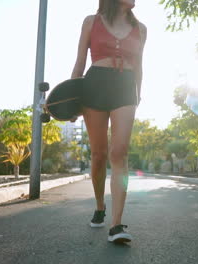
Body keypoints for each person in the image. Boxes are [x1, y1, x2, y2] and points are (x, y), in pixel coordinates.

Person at [71, 0, 147, 243]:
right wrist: (72, 99)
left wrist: (138, 93)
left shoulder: (141, 29)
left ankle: (116, 224)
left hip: (125, 89)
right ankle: (100, 205)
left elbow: (139, 66)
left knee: (120, 152)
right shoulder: (91, 22)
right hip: (94, 85)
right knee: (98, 155)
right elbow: (80, 62)